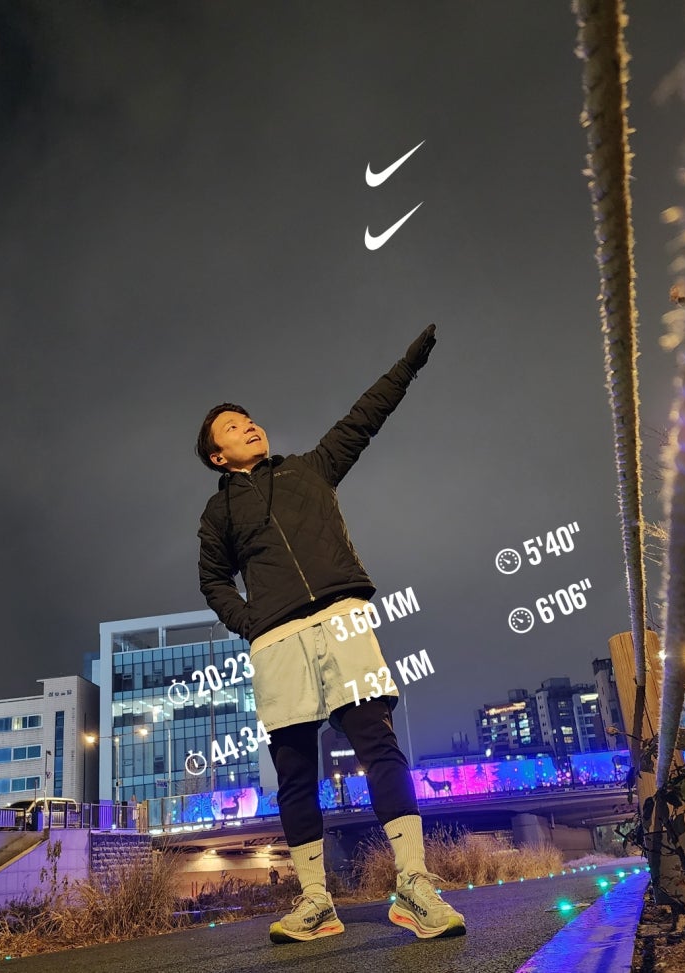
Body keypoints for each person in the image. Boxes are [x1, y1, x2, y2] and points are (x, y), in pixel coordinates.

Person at [196, 324, 466, 944]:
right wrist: (251, 622)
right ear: (217, 456)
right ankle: (315, 901)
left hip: (343, 620)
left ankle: (414, 886)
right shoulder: (218, 513)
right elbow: (212, 581)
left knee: (378, 744)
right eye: (233, 427)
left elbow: (364, 417)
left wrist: (409, 364)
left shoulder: (310, 470)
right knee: (294, 769)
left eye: (249, 419)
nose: (249, 426)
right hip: (276, 642)